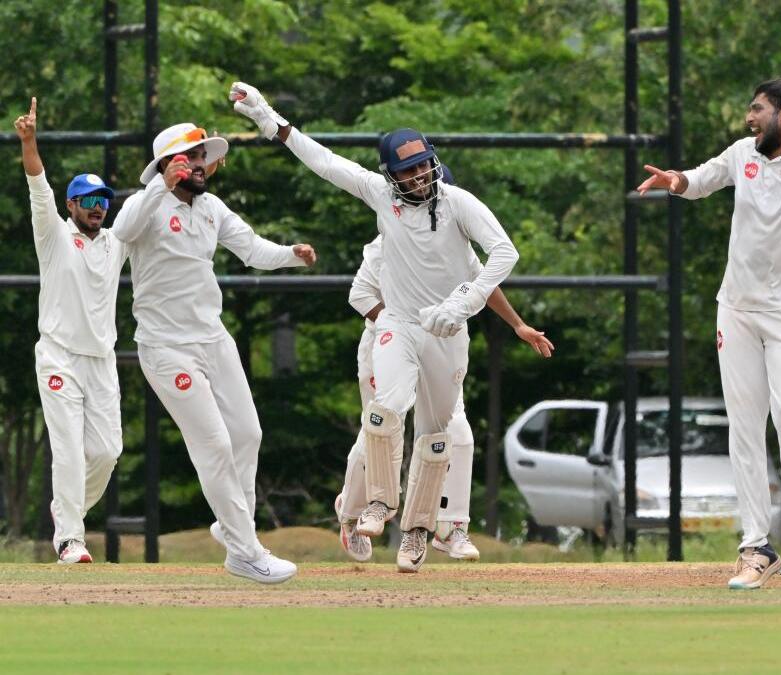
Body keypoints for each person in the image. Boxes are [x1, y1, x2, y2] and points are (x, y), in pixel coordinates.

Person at [229, 81, 518, 573]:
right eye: (409, 171)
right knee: (384, 410)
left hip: (447, 335)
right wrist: (267, 118)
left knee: (439, 435)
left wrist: (464, 304)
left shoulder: (458, 202)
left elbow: (505, 253)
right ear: (393, 175)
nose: (421, 176)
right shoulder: (380, 196)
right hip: (399, 325)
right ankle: (379, 502)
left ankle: (419, 531)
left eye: (424, 164)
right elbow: (323, 161)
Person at [637, 21, 781, 589]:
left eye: (758, 109)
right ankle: (753, 546)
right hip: (736, 308)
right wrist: (675, 180)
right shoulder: (744, 153)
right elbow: (701, 180)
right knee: (743, 425)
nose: (750, 117)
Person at [111, 121, 317, 584]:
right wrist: (158, 187)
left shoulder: (212, 208)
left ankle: (230, 527)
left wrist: (291, 254)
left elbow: (250, 250)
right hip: (166, 348)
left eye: (203, 157)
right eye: (190, 157)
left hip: (212, 338)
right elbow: (122, 231)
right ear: (168, 164)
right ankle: (245, 551)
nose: (201, 165)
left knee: (247, 434)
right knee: (215, 445)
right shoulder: (146, 205)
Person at [336, 235, 553, 563]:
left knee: (457, 434)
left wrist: (518, 325)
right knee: (381, 429)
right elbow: (360, 294)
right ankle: (352, 513)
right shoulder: (387, 241)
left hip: (442, 345)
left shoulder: (454, 241)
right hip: (387, 342)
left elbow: (483, 283)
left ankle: (449, 526)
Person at [15, 97, 130, 564]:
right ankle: (70, 539)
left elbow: (147, 206)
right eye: (87, 201)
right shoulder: (55, 234)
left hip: (101, 361)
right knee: (66, 450)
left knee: (106, 452)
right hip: (59, 355)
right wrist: (29, 141)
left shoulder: (116, 243)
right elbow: (38, 184)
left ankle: (67, 512)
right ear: (71, 206)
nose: (96, 208)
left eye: (102, 201)